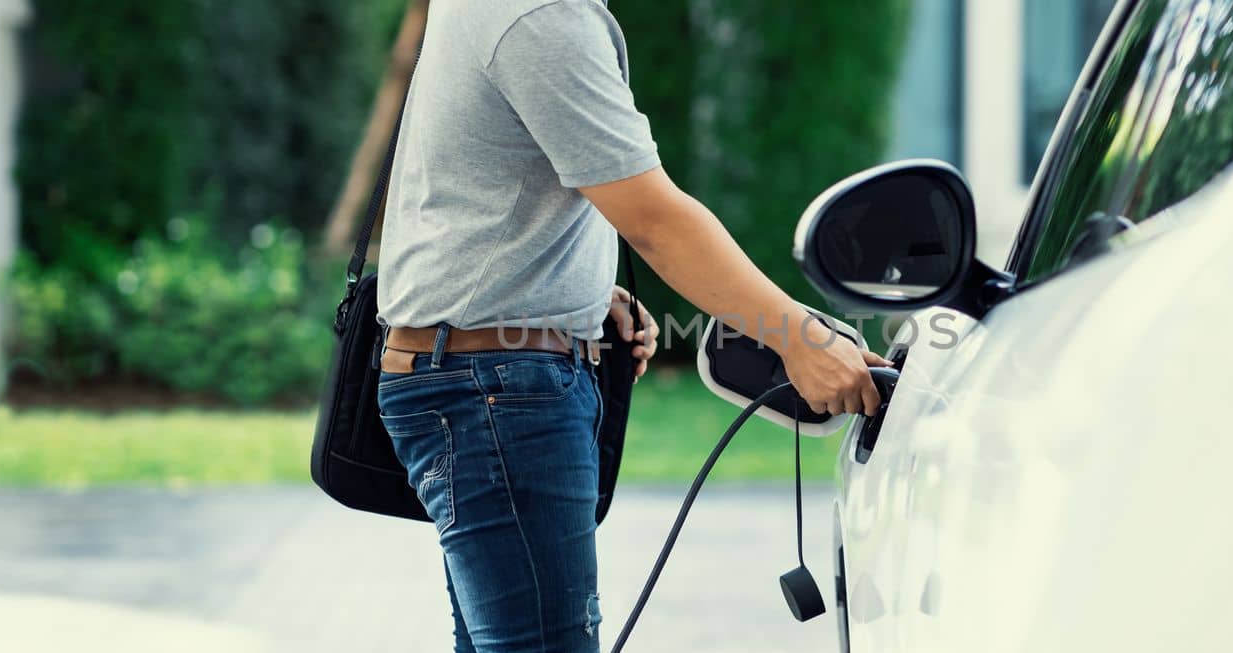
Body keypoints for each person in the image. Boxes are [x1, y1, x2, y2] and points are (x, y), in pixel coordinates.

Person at [373, 1, 887, 651]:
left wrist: (577, 295)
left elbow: (475, 182)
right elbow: (655, 221)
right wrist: (796, 338)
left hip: (483, 378)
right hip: (497, 391)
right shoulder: (540, 15)